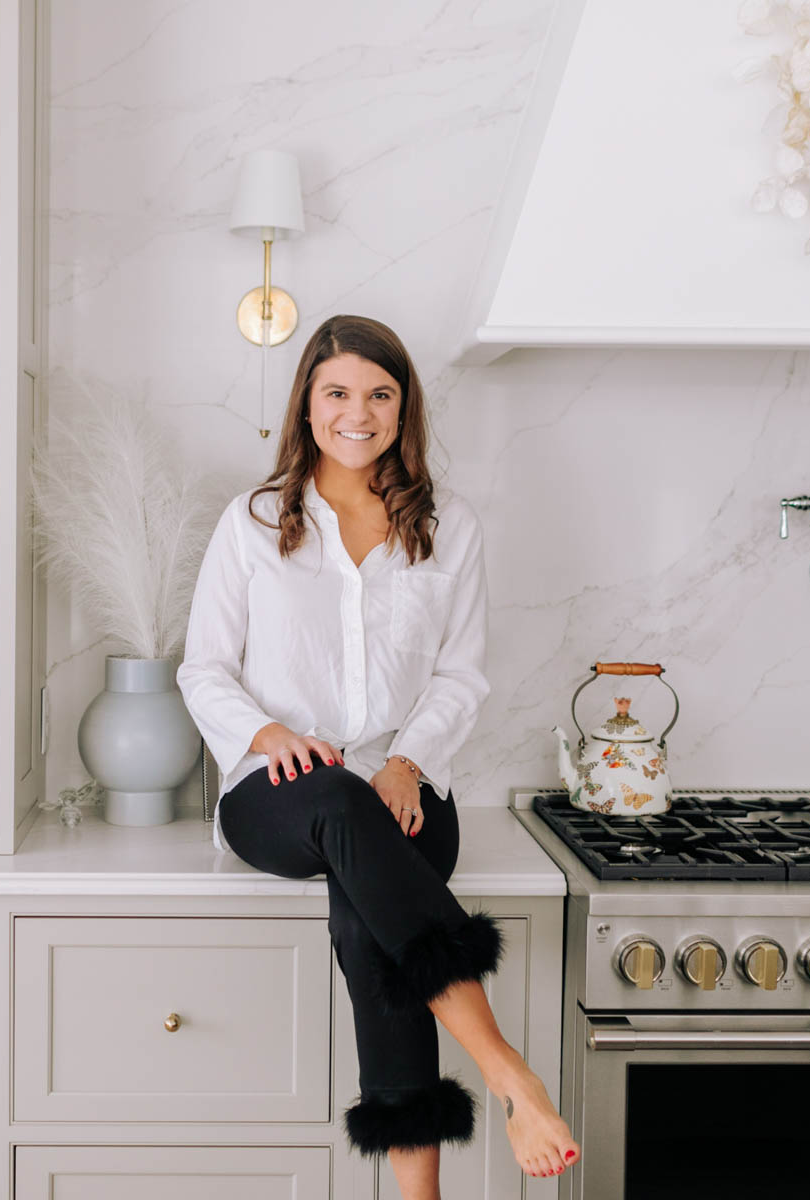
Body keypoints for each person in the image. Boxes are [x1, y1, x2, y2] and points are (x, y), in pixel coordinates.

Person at [176, 314, 581, 1193]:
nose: (357, 412)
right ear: (308, 406)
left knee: (371, 922)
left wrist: (408, 760)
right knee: (335, 799)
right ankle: (507, 1071)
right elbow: (202, 669)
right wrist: (268, 733)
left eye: (379, 394)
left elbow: (462, 676)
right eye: (337, 393)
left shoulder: (448, 526)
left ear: (404, 409)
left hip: (405, 787)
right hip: (279, 791)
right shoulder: (252, 522)